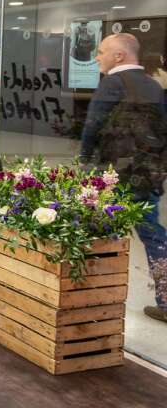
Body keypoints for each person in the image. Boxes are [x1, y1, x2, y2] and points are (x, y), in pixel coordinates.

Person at [80, 33, 167, 323]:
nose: (97, 57)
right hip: (147, 176)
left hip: (113, 176)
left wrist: (84, 163)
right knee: (153, 234)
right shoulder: (154, 86)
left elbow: (92, 128)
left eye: (102, 51)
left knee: (102, 233)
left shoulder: (111, 85)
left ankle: (97, 299)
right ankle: (166, 301)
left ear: (119, 56)